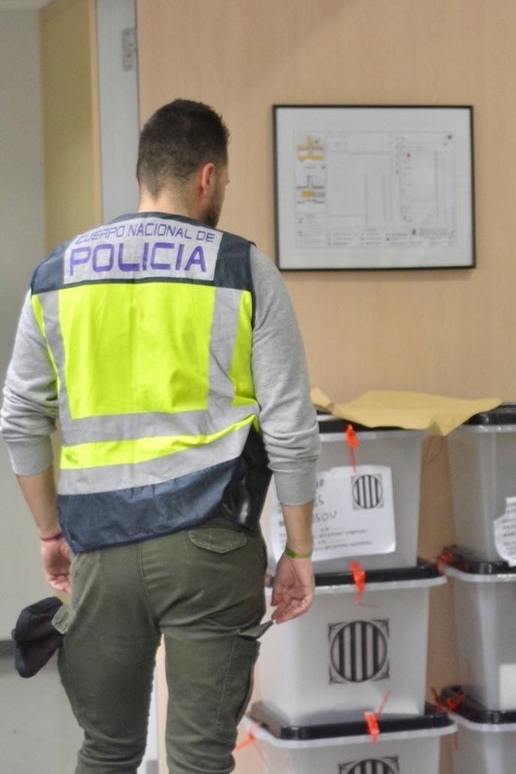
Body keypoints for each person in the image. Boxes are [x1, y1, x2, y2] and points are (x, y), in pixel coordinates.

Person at [1, 99, 321, 774]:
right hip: (211, 544)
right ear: (207, 177)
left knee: (108, 749)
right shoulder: (241, 268)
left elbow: (20, 416)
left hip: (99, 549)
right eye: (225, 184)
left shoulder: (57, 274)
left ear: (145, 174)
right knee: (201, 757)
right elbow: (290, 424)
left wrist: (49, 531)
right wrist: (298, 545)